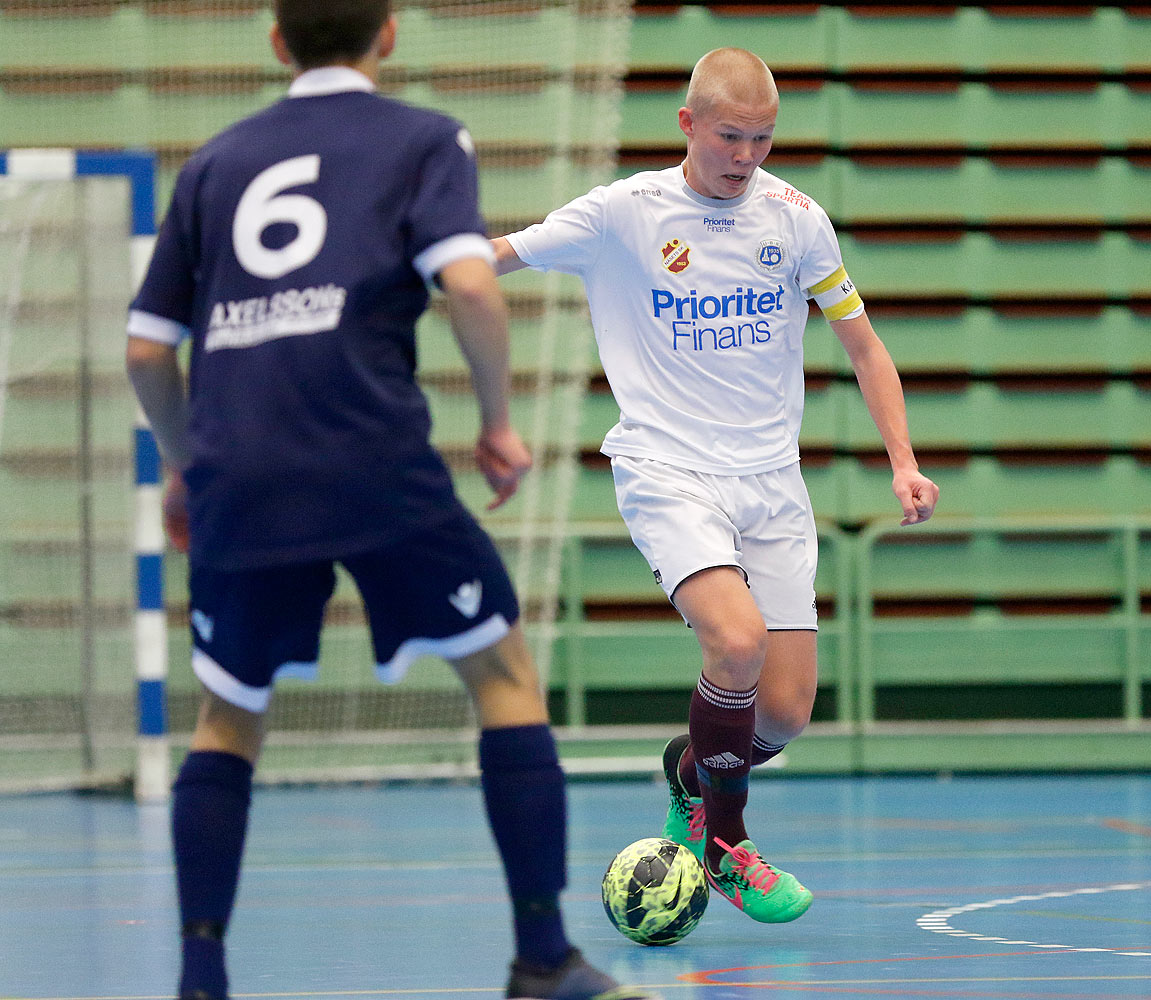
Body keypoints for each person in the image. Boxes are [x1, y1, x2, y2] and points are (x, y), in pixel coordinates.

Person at [123, 3, 654, 999]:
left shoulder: (212, 164)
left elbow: (148, 348)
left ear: (279, 42)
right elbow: (472, 286)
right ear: (390, 35)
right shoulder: (421, 139)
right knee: (501, 672)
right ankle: (542, 955)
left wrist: (188, 466)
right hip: (371, 455)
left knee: (229, 713)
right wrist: (498, 424)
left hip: (242, 468)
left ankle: (201, 978)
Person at [492, 47, 939, 924]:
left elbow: (864, 345)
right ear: (688, 124)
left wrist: (903, 458)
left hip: (772, 482)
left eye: (764, 138)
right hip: (668, 472)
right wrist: (408, 266)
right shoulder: (623, 213)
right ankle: (728, 842)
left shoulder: (798, 219)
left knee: (785, 713)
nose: (747, 155)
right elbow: (499, 254)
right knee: (734, 645)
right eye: (731, 136)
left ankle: (693, 776)